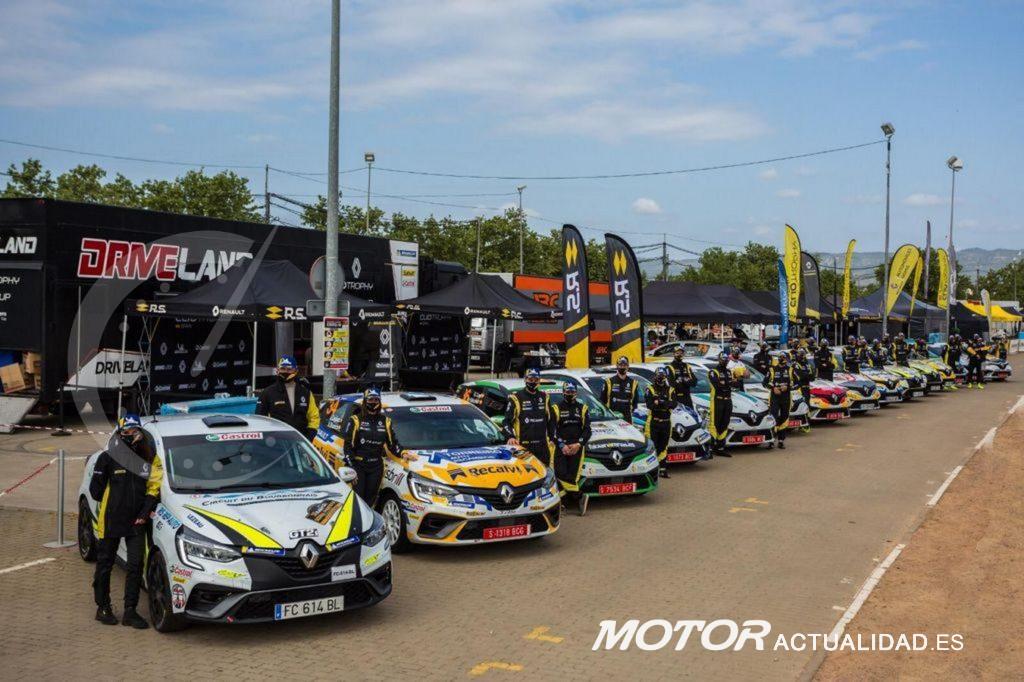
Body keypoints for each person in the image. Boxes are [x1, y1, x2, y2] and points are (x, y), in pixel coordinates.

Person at [90, 414, 162, 629]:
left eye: (135, 430)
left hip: (137, 521)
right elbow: (95, 491)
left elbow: (154, 487)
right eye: (127, 431)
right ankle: (103, 607)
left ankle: (130, 611)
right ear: (120, 434)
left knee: (135, 565)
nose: (132, 435)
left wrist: (144, 512)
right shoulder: (107, 457)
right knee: (105, 564)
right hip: (111, 519)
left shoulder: (150, 457)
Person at [342, 389, 397, 507]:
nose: (373, 402)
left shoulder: (386, 421)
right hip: (359, 465)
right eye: (370, 399)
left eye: (376, 399)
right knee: (358, 499)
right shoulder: (356, 420)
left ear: (380, 401)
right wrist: (352, 468)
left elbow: (392, 444)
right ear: (365, 401)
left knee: (370, 501)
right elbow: (348, 447)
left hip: (376, 467)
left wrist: (403, 453)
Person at [255, 356, 320, 439]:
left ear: (296, 370)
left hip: (300, 440)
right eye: (283, 369)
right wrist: (268, 438)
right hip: (276, 441)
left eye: (289, 369)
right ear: (277, 370)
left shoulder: (305, 393)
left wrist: (309, 435)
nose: (286, 371)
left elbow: (314, 417)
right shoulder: (267, 393)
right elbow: (260, 419)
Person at [551, 382, 591, 515]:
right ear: (563, 392)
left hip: (577, 447)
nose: (570, 394)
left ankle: (563, 504)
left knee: (572, 476)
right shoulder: (556, 408)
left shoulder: (583, 408)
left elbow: (587, 430)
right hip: (560, 447)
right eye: (567, 392)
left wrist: (579, 444)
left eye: (572, 392)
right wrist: (561, 445)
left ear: (576, 393)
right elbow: (552, 430)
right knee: (559, 473)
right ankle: (579, 496)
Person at [504, 368, 556, 465]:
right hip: (524, 446)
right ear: (525, 379)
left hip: (542, 446)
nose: (533, 382)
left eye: (536, 379)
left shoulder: (545, 397)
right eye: (530, 379)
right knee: (526, 471)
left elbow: (551, 421)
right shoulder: (516, 398)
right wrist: (510, 436)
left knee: (544, 471)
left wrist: (552, 438)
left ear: (539, 380)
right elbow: (506, 421)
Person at [644, 367, 677, 478]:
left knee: (664, 446)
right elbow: (650, 405)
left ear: (665, 377)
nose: (661, 377)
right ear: (655, 376)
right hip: (654, 422)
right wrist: (665, 403)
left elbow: (674, 404)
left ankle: (663, 469)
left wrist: (660, 402)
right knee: (653, 446)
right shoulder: (650, 388)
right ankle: (651, 470)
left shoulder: (671, 389)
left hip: (666, 422)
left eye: (663, 375)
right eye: (659, 375)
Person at [763, 352, 796, 449]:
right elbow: (764, 383)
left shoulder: (790, 369)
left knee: (784, 417)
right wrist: (773, 388)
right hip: (774, 397)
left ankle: (781, 441)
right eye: (781, 357)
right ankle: (771, 441)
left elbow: (798, 383)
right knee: (773, 417)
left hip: (786, 397)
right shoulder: (772, 369)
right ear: (778, 358)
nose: (782, 359)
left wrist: (788, 387)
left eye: (784, 357)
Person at [706, 352, 733, 457]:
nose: (725, 361)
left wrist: (726, 384)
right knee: (714, 424)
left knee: (724, 423)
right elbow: (717, 386)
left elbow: (734, 384)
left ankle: (720, 448)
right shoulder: (713, 372)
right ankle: (710, 448)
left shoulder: (729, 372)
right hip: (717, 401)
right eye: (723, 359)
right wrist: (727, 384)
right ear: (719, 359)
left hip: (728, 400)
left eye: (726, 359)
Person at [601, 357, 640, 423]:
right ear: (617, 366)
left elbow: (635, 402)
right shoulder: (609, 382)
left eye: (624, 365)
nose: (622, 367)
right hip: (613, 417)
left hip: (627, 418)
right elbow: (602, 400)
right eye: (620, 365)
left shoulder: (633, 383)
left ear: (628, 366)